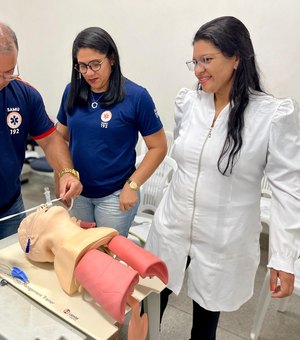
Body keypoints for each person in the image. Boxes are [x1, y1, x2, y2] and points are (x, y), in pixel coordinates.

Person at [145, 16, 300, 340]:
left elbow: (288, 188)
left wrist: (284, 258)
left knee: (205, 320)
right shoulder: (189, 103)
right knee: (149, 306)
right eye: (195, 61)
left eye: (207, 60)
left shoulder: (269, 116)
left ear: (236, 58)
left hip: (222, 239)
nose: (199, 69)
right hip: (172, 227)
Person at [56, 27, 167, 237]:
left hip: (115, 196)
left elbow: (158, 147)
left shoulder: (136, 96)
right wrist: (63, 176)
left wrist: (133, 185)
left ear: (112, 59)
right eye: (82, 66)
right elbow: (60, 139)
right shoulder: (71, 91)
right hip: (78, 193)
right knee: (79, 252)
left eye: (96, 64)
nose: (89, 73)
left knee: (107, 259)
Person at [17, 205, 168, 332]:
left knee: (116, 242)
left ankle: (147, 271)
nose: (40, 207)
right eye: (33, 216)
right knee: (95, 263)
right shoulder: (62, 253)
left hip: (92, 236)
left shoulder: (61, 221)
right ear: (34, 239)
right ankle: (128, 301)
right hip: (75, 251)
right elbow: (49, 259)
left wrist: (75, 224)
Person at [0, 22, 82, 239]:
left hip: (10, 206)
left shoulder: (25, 95)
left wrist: (66, 173)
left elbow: (51, 140)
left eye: (8, 72)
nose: (2, 81)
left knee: (13, 268)